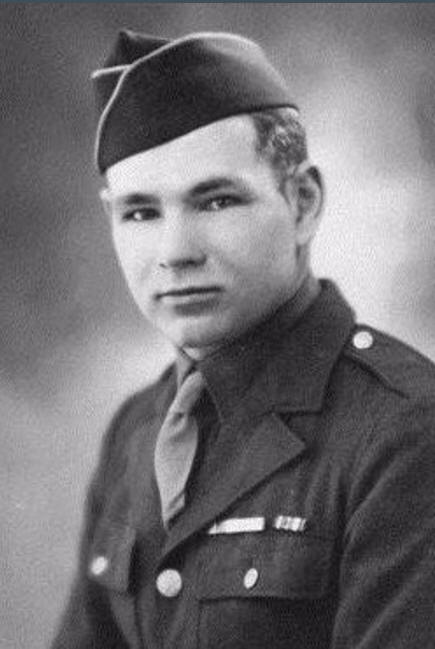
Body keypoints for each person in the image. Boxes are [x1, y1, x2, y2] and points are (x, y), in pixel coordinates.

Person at [51, 29, 435, 649]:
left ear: (303, 203)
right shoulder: (135, 430)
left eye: (217, 201)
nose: (175, 252)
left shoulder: (404, 430)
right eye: (141, 212)